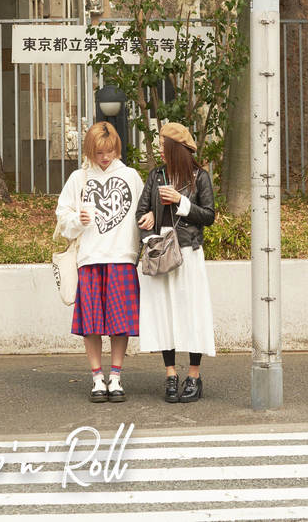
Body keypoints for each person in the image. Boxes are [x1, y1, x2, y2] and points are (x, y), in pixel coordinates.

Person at [55, 121, 144, 403]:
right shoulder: (78, 179)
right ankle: (97, 378)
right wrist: (77, 220)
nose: (105, 157)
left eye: (110, 151)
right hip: (90, 259)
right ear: (89, 151)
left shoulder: (131, 176)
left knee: (120, 324)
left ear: (117, 148)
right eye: (99, 152)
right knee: (91, 324)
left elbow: (144, 212)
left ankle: (115, 377)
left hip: (122, 257)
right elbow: (62, 218)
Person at [136, 121, 216, 403]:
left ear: (175, 148)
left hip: (188, 252)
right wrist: (148, 225)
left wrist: (181, 201)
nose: (159, 149)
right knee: (164, 313)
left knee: (192, 313)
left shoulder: (199, 177)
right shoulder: (156, 175)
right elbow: (141, 212)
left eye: (163, 145)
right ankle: (170, 374)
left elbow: (209, 215)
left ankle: (194, 376)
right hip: (161, 252)